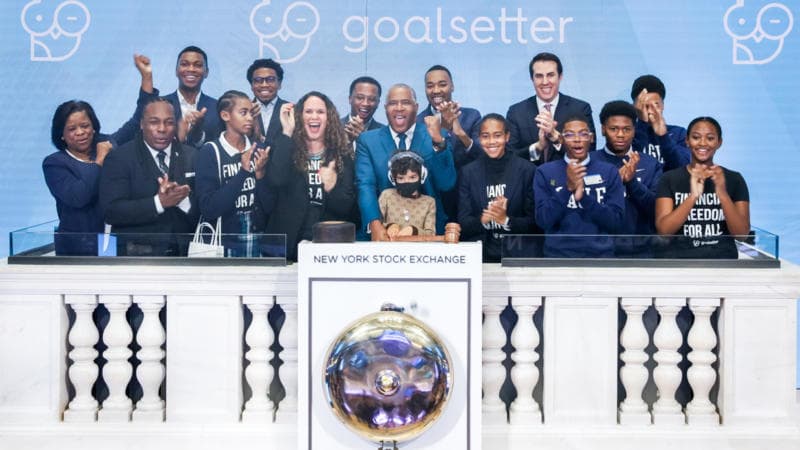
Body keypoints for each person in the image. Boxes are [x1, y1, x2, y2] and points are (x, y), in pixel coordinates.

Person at [264, 91, 358, 261]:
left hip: (328, 248)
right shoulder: (285, 148)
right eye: (308, 111)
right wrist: (287, 131)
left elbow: (347, 210)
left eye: (320, 112)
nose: (314, 116)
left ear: (329, 119)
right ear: (299, 116)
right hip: (287, 247)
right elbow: (276, 180)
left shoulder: (342, 156)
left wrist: (332, 187)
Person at [356, 83, 456, 240]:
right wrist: (374, 224)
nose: (399, 108)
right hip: (382, 234)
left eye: (406, 102)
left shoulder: (436, 135)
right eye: (393, 103)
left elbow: (447, 183)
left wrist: (438, 142)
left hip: (427, 235)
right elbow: (365, 185)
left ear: (416, 107)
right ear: (385, 108)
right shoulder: (368, 141)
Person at [99, 98, 198, 256]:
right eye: (154, 122)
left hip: (185, 255)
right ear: (141, 124)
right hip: (138, 258)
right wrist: (158, 203)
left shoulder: (191, 155)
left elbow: (205, 206)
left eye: (169, 122)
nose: (162, 129)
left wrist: (183, 200)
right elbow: (111, 211)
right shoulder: (119, 158)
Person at [655, 116, 750, 258]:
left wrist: (722, 194)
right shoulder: (669, 178)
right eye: (696, 137)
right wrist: (693, 197)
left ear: (719, 142)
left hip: (723, 263)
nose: (703, 143)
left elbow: (742, 234)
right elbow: (664, 231)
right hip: (679, 263)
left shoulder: (734, 179)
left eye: (710, 138)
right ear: (687, 141)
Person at [533, 116, 624, 257]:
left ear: (591, 138)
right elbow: (543, 220)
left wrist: (585, 198)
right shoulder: (545, 172)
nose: (577, 139)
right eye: (569, 134)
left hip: (600, 257)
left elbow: (616, 223)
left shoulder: (609, 171)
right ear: (561, 139)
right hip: (558, 257)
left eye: (583, 133)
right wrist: (567, 189)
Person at [194, 91, 271, 257]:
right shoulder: (210, 151)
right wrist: (243, 172)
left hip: (257, 237)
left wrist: (261, 175)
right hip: (223, 240)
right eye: (243, 113)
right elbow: (209, 208)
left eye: (251, 113)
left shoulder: (260, 150)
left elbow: (270, 206)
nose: (250, 118)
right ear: (225, 115)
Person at [458, 114, 537, 262]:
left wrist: (505, 220)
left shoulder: (527, 170)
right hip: (479, 256)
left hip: (518, 255)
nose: (491, 141)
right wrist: (483, 219)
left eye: (497, 135)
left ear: (507, 137)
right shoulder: (468, 172)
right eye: (485, 136)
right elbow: (463, 221)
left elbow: (534, 222)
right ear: (479, 139)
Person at [593, 101, 662, 257]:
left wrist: (632, 182)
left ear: (634, 130)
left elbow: (656, 210)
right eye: (613, 129)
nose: (620, 135)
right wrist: (614, 182)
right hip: (597, 252)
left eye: (626, 129)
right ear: (603, 130)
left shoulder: (650, 164)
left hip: (641, 253)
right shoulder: (589, 162)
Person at [43, 101, 111, 255]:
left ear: (94, 127)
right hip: (77, 246)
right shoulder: (54, 163)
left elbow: (134, 124)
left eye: (85, 126)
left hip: (109, 238)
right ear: (61, 134)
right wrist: (99, 161)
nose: (80, 132)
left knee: (111, 277)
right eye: (72, 129)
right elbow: (79, 196)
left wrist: (146, 81)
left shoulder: (106, 147)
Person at [507, 52, 595, 165]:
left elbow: (590, 153)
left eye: (550, 75)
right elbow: (510, 157)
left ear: (560, 77)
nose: (545, 82)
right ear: (532, 79)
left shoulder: (580, 109)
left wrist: (556, 138)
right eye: (539, 76)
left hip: (568, 178)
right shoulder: (516, 112)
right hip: (530, 180)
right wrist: (538, 147)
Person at [417, 65, 482, 169]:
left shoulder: (472, 116)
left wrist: (461, 134)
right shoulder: (418, 122)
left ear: (452, 86)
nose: (436, 90)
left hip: (467, 183)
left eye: (442, 85)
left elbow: (482, 156)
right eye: (430, 86)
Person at [631, 75, 690, 172]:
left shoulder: (678, 133)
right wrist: (642, 124)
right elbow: (629, 165)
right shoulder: (628, 134)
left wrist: (663, 137)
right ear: (635, 107)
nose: (650, 111)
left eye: (655, 105)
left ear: (663, 105)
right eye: (644, 106)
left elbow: (683, 168)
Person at [379, 151, 436, 238]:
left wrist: (413, 230)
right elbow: (375, 226)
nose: (407, 181)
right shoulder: (387, 195)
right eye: (401, 178)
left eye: (412, 177)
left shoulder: (429, 202)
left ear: (422, 176)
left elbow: (431, 234)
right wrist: (390, 226)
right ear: (393, 179)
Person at [247, 58, 288, 144]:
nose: (264, 85)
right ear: (251, 85)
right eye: (258, 80)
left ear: (279, 84)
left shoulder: (291, 110)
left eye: (270, 80)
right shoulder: (244, 110)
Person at [342, 76, 385, 145]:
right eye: (360, 98)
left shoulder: (385, 133)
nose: (365, 103)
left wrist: (365, 137)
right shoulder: (333, 127)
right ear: (350, 99)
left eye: (371, 99)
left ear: (378, 103)